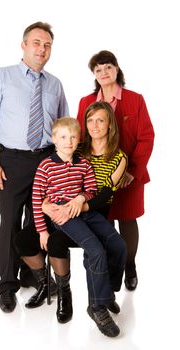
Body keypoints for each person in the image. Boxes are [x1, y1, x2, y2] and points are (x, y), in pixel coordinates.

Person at [0, 21, 69, 313]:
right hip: (12, 161)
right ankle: (7, 285)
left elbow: (63, 125)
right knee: (9, 223)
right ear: (24, 45)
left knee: (38, 222)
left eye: (47, 45)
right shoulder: (1, 77)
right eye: (36, 43)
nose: (42, 49)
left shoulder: (55, 84)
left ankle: (32, 272)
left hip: (45, 160)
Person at [25, 116, 126, 338]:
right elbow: (36, 199)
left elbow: (90, 189)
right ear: (54, 139)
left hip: (83, 210)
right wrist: (42, 230)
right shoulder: (46, 166)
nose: (68, 141)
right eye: (63, 137)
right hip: (63, 216)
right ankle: (97, 307)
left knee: (118, 244)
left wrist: (80, 198)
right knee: (96, 250)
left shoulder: (83, 163)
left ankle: (107, 292)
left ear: (79, 138)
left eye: (73, 137)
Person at [77, 50, 155, 291]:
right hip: (96, 176)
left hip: (129, 176)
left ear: (117, 69)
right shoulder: (86, 102)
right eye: (98, 69)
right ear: (94, 74)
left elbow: (146, 137)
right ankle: (111, 269)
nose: (104, 72)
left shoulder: (135, 99)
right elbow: (80, 138)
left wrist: (132, 170)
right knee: (103, 223)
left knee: (128, 220)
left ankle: (129, 266)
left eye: (108, 67)